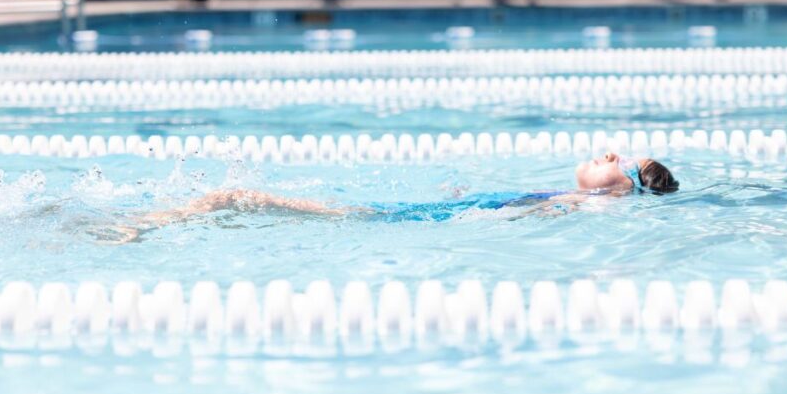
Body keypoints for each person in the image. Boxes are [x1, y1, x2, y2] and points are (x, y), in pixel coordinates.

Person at [103, 153, 679, 243]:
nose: (604, 152)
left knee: (232, 197)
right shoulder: (560, 194)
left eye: (614, 158)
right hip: (414, 216)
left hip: (397, 220)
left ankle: (142, 225)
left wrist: (629, 184)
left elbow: (618, 194)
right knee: (237, 204)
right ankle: (155, 221)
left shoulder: (601, 198)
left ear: (625, 182)